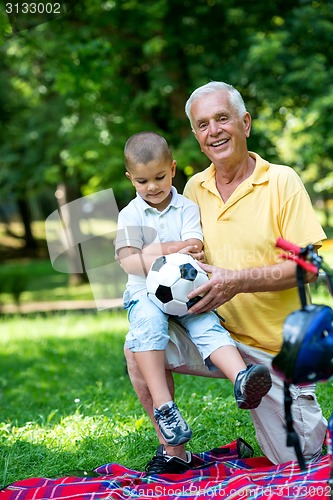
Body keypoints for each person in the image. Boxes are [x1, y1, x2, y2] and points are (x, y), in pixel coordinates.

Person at [124, 82, 328, 475]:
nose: (213, 131)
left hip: (274, 354)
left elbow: (310, 269)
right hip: (213, 334)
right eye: (203, 125)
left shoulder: (281, 181)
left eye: (222, 118)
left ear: (245, 123)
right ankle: (173, 449)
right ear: (197, 139)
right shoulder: (192, 190)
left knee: (299, 461)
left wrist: (236, 281)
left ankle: (275, 399)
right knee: (139, 344)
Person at [116, 131, 272, 450]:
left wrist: (154, 253)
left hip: (186, 289)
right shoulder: (129, 214)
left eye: (160, 177)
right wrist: (170, 248)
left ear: (172, 169)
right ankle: (165, 408)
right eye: (142, 181)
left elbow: (195, 247)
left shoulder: (186, 207)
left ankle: (242, 378)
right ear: (130, 178)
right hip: (144, 295)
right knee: (147, 329)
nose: (153, 187)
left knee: (206, 324)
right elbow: (128, 262)